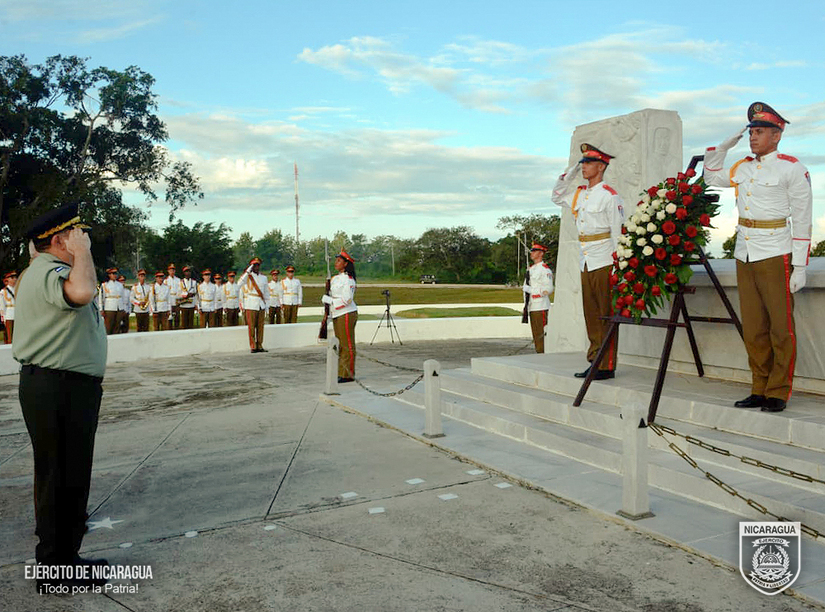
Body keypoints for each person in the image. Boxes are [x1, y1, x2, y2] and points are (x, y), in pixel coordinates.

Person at [13, 203, 109, 591]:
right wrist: (82, 253)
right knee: (59, 476)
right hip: (58, 386)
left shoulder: (43, 271)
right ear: (59, 239)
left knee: (67, 475)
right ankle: (55, 569)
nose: (83, 240)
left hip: (63, 385)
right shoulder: (52, 272)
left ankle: (66, 560)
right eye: (77, 235)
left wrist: (75, 253)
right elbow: (83, 292)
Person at [703, 102, 812, 413]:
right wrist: (722, 147)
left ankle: (778, 390)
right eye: (751, 131)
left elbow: (803, 218)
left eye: (760, 131)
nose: (753, 137)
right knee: (753, 327)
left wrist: (800, 265)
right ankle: (759, 386)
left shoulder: (792, 168)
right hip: (744, 252)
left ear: (777, 136)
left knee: (780, 327)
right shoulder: (743, 167)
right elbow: (710, 176)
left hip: (776, 251)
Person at [552, 143, 624, 380]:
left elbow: (617, 233)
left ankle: (607, 364)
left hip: (604, 259)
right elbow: (556, 196)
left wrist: (619, 267)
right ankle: (595, 360)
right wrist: (570, 171)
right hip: (586, 259)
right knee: (591, 313)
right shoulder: (580, 194)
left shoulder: (609, 196)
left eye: (588, 163)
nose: (584, 167)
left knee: (606, 313)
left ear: (601, 166)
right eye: (582, 163)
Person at [322, 250, 358, 382]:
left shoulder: (349, 280)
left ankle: (348, 374)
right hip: (337, 313)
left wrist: (330, 301)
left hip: (347, 312)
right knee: (340, 345)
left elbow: (347, 299)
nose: (336, 263)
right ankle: (342, 372)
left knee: (347, 344)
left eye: (339, 261)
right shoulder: (335, 279)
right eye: (336, 260)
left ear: (346, 264)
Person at [523, 244, 554, 353]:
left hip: (541, 306)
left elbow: (548, 289)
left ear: (541, 253)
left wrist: (531, 290)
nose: (532, 253)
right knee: (536, 335)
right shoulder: (531, 269)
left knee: (542, 335)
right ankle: (539, 353)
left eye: (535, 251)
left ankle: (543, 354)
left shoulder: (545, 269)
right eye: (532, 251)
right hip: (532, 306)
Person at [237, 257, 270, 352]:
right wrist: (247, 272)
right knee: (251, 326)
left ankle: (260, 345)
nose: (256, 267)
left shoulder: (264, 277)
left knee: (260, 326)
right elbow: (239, 284)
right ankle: (253, 346)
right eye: (254, 265)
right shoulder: (247, 276)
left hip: (261, 304)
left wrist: (267, 305)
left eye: (258, 265)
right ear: (251, 266)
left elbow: (266, 293)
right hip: (250, 304)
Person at [99, 267, 123, 335]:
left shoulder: (120, 285)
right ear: (109, 275)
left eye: (116, 273)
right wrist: (101, 309)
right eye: (113, 273)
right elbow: (101, 298)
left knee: (117, 325)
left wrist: (123, 308)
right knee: (109, 326)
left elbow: (122, 297)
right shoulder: (104, 285)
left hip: (119, 307)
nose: (115, 275)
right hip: (109, 307)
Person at [1, 271, 17, 344]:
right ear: (7, 280)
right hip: (9, 315)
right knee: (10, 336)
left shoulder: (17, 290)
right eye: (12, 277)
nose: (15, 279)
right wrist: (3, 318)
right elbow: (2, 306)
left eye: (15, 277)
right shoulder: (3, 292)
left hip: (17, 315)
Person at [164, 264, 181, 329]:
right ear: (168, 271)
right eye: (170, 270)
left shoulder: (178, 280)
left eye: (173, 270)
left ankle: (177, 329)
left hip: (176, 300)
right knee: (169, 318)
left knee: (177, 317)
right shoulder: (166, 281)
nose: (172, 272)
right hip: (169, 300)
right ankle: (169, 330)